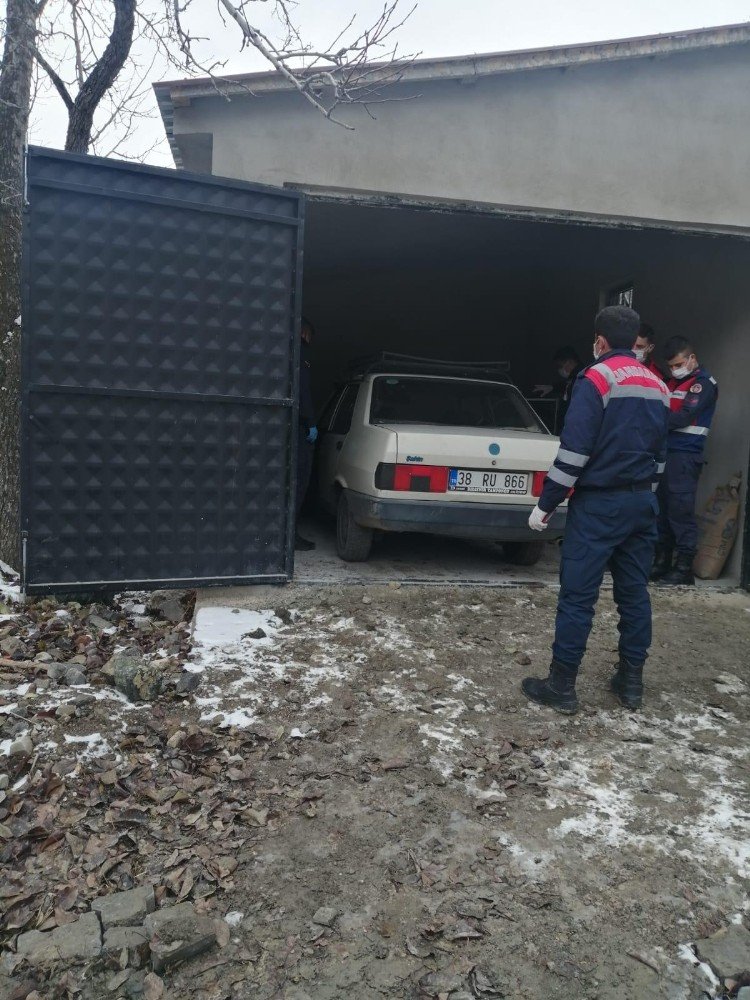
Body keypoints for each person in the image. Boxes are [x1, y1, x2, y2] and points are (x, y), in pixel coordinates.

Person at [522, 305, 669, 714]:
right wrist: (645, 494)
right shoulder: (657, 383)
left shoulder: (596, 378)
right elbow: (661, 454)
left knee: (578, 597)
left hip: (600, 505)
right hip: (642, 504)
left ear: (600, 341)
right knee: (634, 594)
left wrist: (546, 504)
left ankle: (562, 686)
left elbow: (574, 453)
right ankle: (631, 683)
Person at [651, 335, 718, 586]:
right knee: (662, 510)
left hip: (685, 455)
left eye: (679, 364)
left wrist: (651, 420)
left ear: (692, 359)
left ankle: (683, 567)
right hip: (667, 453)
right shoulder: (674, 383)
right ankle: (662, 562)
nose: (674, 369)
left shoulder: (703, 384)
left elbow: (683, 417)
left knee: (680, 512)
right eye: (671, 365)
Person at [295, 317, 318, 552]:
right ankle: (291, 536)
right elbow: (303, 392)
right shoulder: (300, 353)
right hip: (299, 428)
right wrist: (310, 421)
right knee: (299, 481)